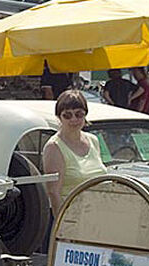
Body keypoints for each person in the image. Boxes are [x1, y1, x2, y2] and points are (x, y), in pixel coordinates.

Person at [42, 89, 108, 217]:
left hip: (100, 215)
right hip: (72, 219)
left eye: (79, 114)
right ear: (59, 117)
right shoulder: (54, 147)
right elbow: (53, 193)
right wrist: (63, 228)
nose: (74, 119)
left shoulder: (93, 140)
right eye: (67, 115)